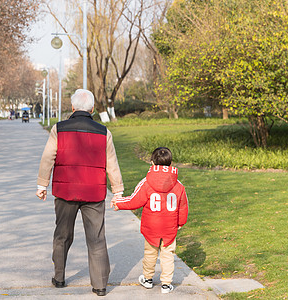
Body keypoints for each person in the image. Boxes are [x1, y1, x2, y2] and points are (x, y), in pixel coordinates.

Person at [36, 89, 124, 297]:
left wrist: (42, 185)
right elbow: (112, 164)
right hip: (94, 193)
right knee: (96, 238)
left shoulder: (59, 129)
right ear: (92, 109)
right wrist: (118, 191)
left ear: (73, 108)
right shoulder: (104, 132)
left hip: (65, 192)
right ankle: (100, 285)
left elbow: (48, 157)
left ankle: (59, 278)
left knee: (62, 235)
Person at [111, 147, 188, 294]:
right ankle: (166, 283)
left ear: (152, 163)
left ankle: (147, 279)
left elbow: (134, 201)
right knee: (167, 255)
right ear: (170, 164)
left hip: (151, 226)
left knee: (150, 253)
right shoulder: (179, 186)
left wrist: (119, 202)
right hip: (169, 226)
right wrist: (180, 222)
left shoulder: (146, 182)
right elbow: (183, 206)